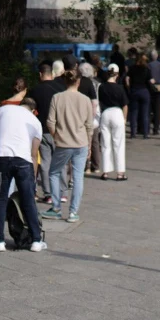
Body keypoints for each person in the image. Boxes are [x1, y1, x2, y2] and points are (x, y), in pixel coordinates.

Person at [0, 98, 46, 252]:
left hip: (2, 158)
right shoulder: (35, 122)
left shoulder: (2, 110)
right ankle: (36, 240)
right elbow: (34, 154)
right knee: (28, 200)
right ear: (33, 110)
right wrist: (33, 180)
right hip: (23, 160)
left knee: (1, 200)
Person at [43, 69, 94, 224]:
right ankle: (73, 212)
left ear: (65, 81)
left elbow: (50, 122)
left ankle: (56, 208)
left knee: (54, 172)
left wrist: (56, 137)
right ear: (78, 82)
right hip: (81, 142)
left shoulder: (57, 97)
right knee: (78, 177)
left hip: (63, 143)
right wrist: (89, 145)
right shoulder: (85, 100)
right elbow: (89, 126)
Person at [28, 61, 66, 207]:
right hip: (59, 130)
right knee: (61, 161)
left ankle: (48, 194)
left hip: (42, 130)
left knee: (45, 162)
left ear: (40, 74)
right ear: (52, 74)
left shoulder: (35, 90)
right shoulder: (61, 89)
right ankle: (62, 192)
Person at [98, 64, 128, 181]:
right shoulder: (120, 88)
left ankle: (105, 172)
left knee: (105, 144)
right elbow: (125, 105)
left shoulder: (101, 87)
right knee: (118, 144)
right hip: (117, 113)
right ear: (117, 74)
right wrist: (124, 119)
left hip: (105, 113)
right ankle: (120, 173)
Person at [79, 62, 101, 176]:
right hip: (93, 115)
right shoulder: (96, 83)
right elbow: (95, 101)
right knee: (95, 141)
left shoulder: (78, 82)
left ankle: (86, 166)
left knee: (85, 141)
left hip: (81, 115)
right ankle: (96, 166)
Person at [127, 54, 153, 139]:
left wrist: (129, 87)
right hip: (144, 91)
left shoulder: (132, 68)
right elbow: (151, 80)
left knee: (134, 113)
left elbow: (127, 79)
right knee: (145, 114)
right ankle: (145, 134)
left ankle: (133, 133)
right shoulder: (146, 69)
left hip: (134, 91)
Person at [147, 49, 160, 135]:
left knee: (149, 108)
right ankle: (156, 129)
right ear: (157, 56)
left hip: (150, 87)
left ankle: (147, 128)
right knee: (157, 109)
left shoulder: (149, 65)